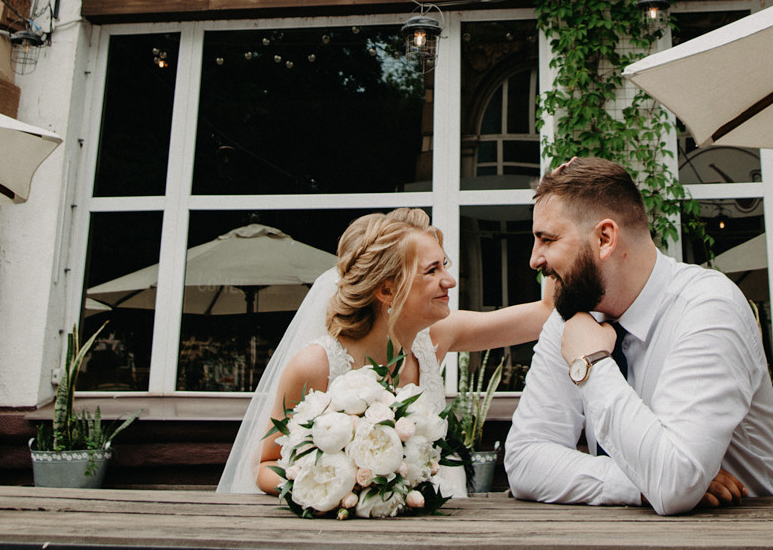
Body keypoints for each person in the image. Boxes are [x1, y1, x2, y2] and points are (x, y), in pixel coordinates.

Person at [504, 157, 773, 515]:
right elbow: (524, 460)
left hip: (765, 535)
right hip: (635, 538)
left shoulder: (708, 308)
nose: (535, 259)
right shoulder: (573, 313)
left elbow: (674, 485)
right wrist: (638, 483)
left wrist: (591, 365)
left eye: (547, 239)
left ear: (604, 238)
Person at [220, 208, 555, 496]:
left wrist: (554, 212)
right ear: (386, 290)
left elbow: (546, 313)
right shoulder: (315, 365)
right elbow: (264, 465)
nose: (450, 280)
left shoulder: (434, 339)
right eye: (432, 270)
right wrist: (346, 488)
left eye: (444, 265)